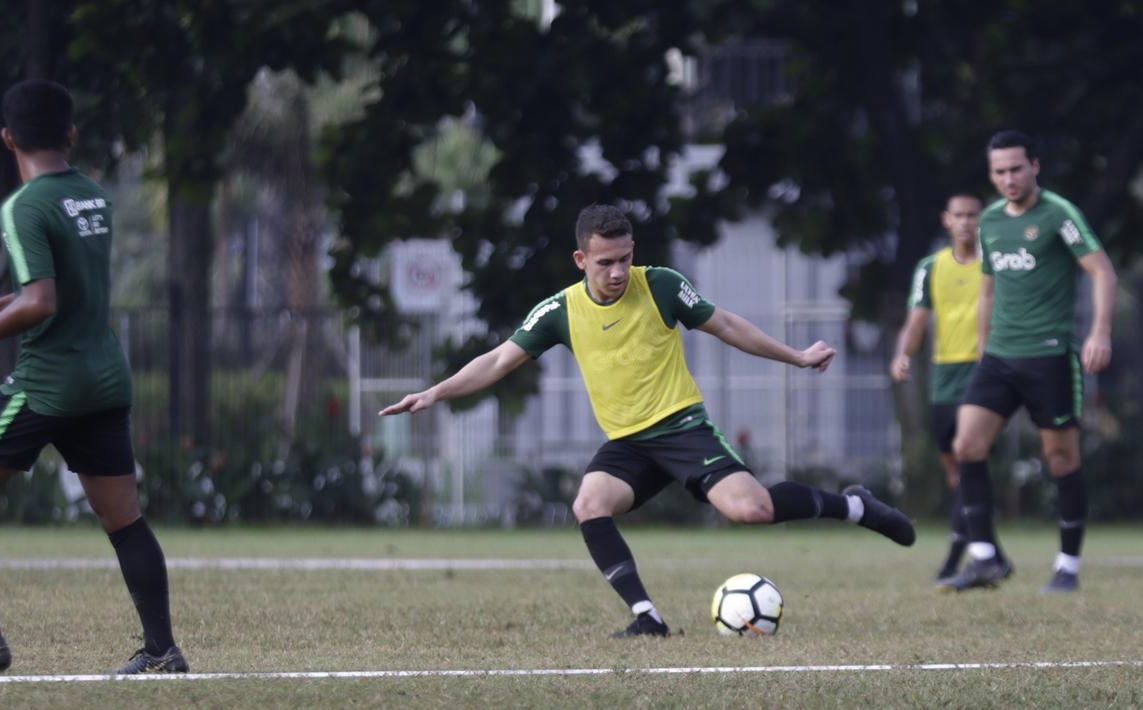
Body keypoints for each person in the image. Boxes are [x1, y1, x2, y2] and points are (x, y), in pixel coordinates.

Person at [381, 204, 916, 638]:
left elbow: (726, 325)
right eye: (605, 262)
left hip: (681, 429)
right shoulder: (559, 312)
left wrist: (797, 357)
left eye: (625, 259)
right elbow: (498, 360)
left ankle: (854, 506)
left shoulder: (659, 284)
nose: (617, 272)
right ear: (579, 259)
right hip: (628, 444)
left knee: (752, 510)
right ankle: (647, 617)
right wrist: (434, 392)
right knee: (589, 504)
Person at [0, 80, 187, 674]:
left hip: (49, 382)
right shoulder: (92, 197)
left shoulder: (23, 205)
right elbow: (66, 287)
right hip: (105, 378)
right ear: (70, 134)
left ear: (7, 137)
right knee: (124, 517)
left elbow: (40, 302)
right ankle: (163, 650)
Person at [943, 130, 1116, 593]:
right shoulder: (991, 220)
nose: (1008, 178)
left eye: (1016, 168)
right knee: (967, 446)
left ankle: (1067, 566)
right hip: (999, 358)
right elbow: (987, 289)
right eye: (999, 171)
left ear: (1034, 166)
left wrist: (1099, 332)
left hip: (1049, 357)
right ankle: (984, 559)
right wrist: (982, 348)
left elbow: (1101, 270)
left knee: (1060, 458)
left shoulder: (1059, 214)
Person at [890, 192, 1009, 585]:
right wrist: (903, 354)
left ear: (982, 220)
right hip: (944, 377)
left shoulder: (995, 263)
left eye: (973, 215)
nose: (966, 222)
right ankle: (993, 553)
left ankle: (957, 557)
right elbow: (917, 319)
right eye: (959, 215)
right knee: (957, 472)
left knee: (970, 457)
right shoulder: (931, 267)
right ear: (946, 219)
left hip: (985, 373)